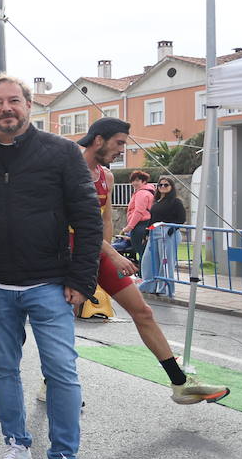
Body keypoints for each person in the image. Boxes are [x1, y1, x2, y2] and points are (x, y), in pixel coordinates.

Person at [0, 74, 101, 459]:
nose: (6, 108)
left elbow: (88, 217)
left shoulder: (62, 153)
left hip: (50, 283)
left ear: (29, 105)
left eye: (14, 101)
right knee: (3, 368)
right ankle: (16, 445)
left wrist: (82, 280)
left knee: (61, 370)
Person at [78, 120, 229, 404]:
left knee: (143, 312)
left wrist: (105, 253)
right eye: (120, 143)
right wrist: (111, 254)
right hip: (65, 257)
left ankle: (180, 384)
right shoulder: (66, 167)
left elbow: (106, 219)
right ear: (99, 140)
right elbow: (71, 221)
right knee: (61, 326)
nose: (123, 150)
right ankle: (53, 384)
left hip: (96, 252)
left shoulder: (106, 177)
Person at [139, 176, 186, 296]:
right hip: (155, 232)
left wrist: (172, 229)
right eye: (160, 185)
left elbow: (181, 219)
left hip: (168, 233)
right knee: (148, 260)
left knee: (165, 262)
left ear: (171, 187)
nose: (163, 187)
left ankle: (164, 288)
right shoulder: (157, 202)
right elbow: (152, 219)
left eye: (166, 185)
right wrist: (146, 232)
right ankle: (149, 286)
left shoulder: (176, 202)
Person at [120, 170, 156, 261]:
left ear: (143, 181)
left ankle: (142, 273)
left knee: (141, 252)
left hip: (140, 225)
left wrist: (129, 227)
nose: (134, 183)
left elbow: (139, 211)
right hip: (146, 224)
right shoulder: (149, 192)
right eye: (133, 180)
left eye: (137, 180)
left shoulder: (141, 193)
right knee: (144, 253)